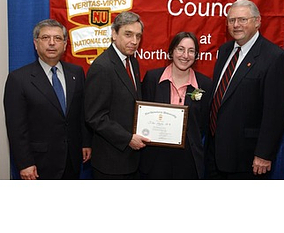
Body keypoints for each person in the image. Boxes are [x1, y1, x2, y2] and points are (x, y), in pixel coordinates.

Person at [206, 0, 284, 179]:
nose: (236, 25)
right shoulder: (224, 51)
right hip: (214, 152)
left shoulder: (274, 58)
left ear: (257, 21)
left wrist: (264, 154)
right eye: (231, 20)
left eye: (243, 20)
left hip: (247, 157)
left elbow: (276, 113)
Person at [3, 19, 92, 180]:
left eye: (58, 38)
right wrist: (25, 163)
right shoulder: (18, 79)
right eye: (45, 38)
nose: (52, 43)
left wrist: (85, 142)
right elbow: (16, 128)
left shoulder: (76, 73)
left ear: (65, 45)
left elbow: (80, 113)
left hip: (72, 159)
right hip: (38, 163)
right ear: (35, 44)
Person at [84, 11, 150, 179]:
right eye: (128, 34)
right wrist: (128, 138)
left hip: (131, 159)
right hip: (111, 162)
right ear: (114, 34)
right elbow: (95, 117)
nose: (134, 42)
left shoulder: (132, 62)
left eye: (138, 36)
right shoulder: (102, 67)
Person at [139, 32, 212, 179]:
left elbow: (203, 123)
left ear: (196, 55)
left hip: (189, 159)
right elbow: (142, 114)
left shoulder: (205, 84)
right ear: (171, 51)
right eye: (180, 49)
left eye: (191, 51)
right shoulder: (152, 78)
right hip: (155, 158)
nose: (185, 55)